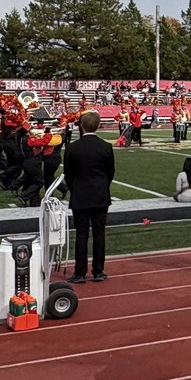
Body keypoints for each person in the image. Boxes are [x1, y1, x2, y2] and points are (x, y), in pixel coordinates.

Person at [62, 110, 115, 283]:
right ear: (98, 126)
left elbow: (68, 174)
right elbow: (110, 173)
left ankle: (80, 272)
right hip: (100, 196)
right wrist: (101, 187)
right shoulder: (106, 147)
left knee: (82, 234)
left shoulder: (72, 148)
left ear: (81, 126)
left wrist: (75, 189)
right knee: (99, 234)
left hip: (80, 196)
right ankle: (98, 271)